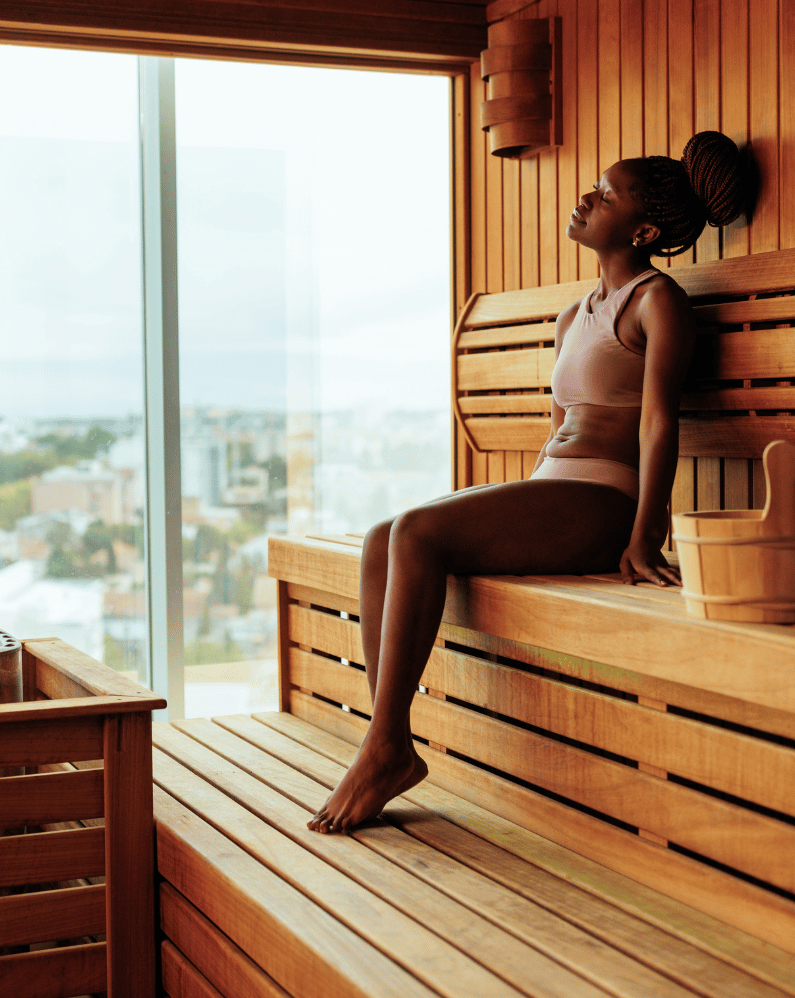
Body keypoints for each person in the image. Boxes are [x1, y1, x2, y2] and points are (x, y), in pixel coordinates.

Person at [308, 131, 747, 835]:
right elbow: (559, 428)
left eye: (606, 193)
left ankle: (387, 746)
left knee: (418, 532)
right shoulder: (576, 313)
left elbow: (658, 424)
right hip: (558, 490)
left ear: (644, 229)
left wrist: (645, 534)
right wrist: (507, 512)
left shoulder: (657, 301)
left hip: (605, 502)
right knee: (382, 538)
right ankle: (384, 739)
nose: (587, 196)